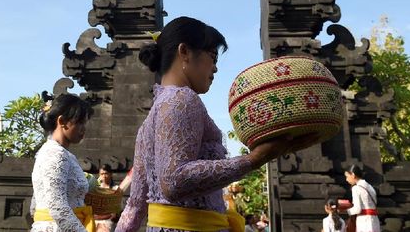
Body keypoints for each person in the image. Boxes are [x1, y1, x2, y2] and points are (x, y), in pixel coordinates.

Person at [115, 16, 310, 232]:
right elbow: (173, 180)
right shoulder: (182, 99)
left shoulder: (150, 119)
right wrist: (254, 159)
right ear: (184, 52)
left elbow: (134, 206)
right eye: (213, 57)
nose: (215, 68)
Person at [31, 93, 95, 232]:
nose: (84, 128)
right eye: (79, 122)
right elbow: (57, 207)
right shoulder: (56, 154)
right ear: (62, 122)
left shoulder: (57, 153)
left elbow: (34, 207)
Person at [344, 165, 380, 232]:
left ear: (353, 175)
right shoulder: (369, 186)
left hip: (364, 222)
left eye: (347, 176)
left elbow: (357, 209)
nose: (346, 179)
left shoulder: (356, 188)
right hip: (374, 220)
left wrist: (346, 211)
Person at [95, 165, 119, 232]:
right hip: (95, 220)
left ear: (110, 174)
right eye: (102, 174)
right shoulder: (95, 188)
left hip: (108, 221)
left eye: (106, 173)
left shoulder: (115, 189)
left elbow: (114, 213)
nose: (104, 176)